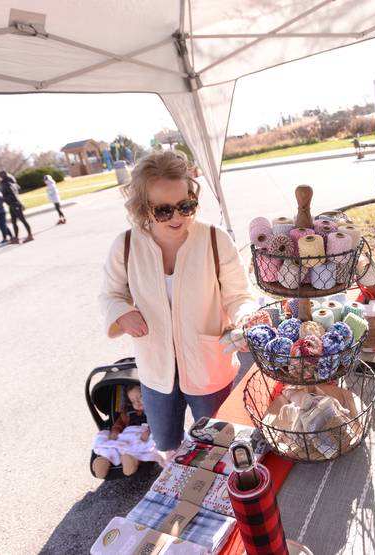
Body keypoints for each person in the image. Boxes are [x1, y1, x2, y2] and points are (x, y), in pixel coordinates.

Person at [99, 150, 257, 457]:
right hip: (155, 369)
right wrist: (122, 313)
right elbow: (110, 294)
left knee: (217, 445)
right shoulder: (126, 245)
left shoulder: (215, 239)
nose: (178, 217)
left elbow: (239, 295)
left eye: (186, 206)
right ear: (143, 208)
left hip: (209, 366)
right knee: (168, 444)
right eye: (163, 210)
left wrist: (245, 319)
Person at [0, 170, 33, 243]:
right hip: (11, 205)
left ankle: (30, 235)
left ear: (2, 176)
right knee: (13, 222)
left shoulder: (8, 184)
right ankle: (16, 238)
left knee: (23, 220)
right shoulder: (6, 183)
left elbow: (13, 195)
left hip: (15, 204)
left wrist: (3, 198)